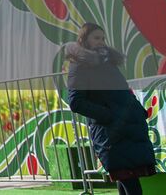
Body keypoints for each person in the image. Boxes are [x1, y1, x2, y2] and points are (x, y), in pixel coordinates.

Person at [65, 23, 156, 195]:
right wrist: (108, 115)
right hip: (111, 131)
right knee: (130, 183)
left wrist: (136, 109)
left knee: (127, 179)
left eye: (103, 38)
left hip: (128, 126)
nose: (101, 42)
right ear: (84, 39)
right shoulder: (79, 65)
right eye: (96, 38)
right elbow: (76, 102)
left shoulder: (108, 62)